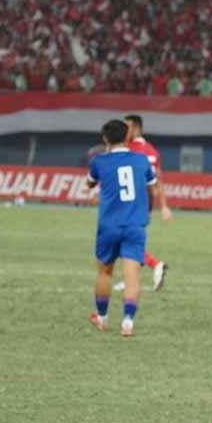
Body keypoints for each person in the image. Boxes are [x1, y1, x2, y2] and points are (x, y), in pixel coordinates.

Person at [87, 119, 160, 338]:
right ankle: (127, 322)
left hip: (109, 224)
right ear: (127, 136)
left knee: (104, 272)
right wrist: (147, 211)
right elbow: (152, 189)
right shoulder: (141, 161)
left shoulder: (99, 161)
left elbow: (90, 184)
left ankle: (102, 317)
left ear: (105, 138)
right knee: (132, 276)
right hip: (135, 224)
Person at [123, 115, 170, 292]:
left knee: (124, 240)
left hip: (131, 201)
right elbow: (159, 179)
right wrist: (164, 206)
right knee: (131, 240)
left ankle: (155, 265)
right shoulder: (152, 150)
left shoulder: (129, 149)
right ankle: (131, 277)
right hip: (146, 202)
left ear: (135, 129)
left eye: (126, 127)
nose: (124, 131)